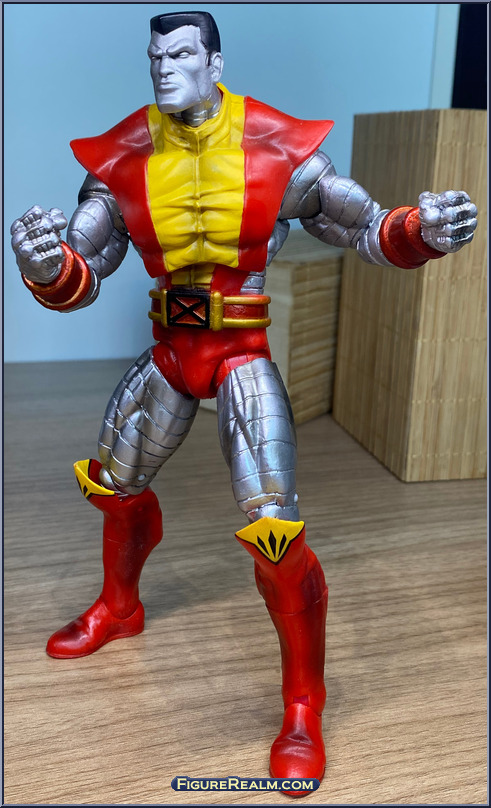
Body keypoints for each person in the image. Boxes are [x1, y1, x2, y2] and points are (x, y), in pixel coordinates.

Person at [10, 10, 477, 791]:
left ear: (215, 63)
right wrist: (42, 265)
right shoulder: (123, 155)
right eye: (155, 56)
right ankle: (119, 607)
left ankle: (302, 705)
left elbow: (364, 227)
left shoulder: (277, 147)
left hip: (239, 354)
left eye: (181, 54)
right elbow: (82, 270)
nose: (164, 68)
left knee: (274, 532)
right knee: (114, 485)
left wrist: (420, 229)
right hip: (170, 351)